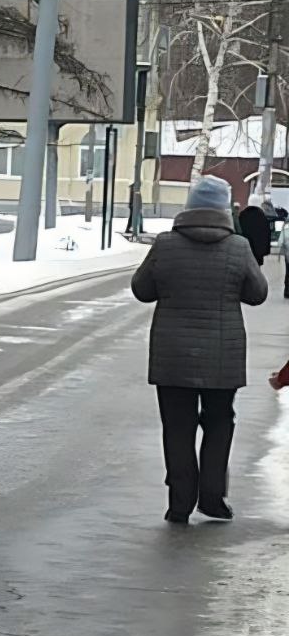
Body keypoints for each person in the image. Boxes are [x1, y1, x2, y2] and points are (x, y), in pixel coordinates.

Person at [131, 175, 268, 525]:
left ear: (189, 206)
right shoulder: (238, 247)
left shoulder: (165, 244)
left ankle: (179, 504)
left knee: (177, 427)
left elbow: (142, 290)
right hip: (223, 356)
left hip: (172, 355)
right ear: (226, 209)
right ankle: (212, 498)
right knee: (220, 422)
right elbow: (257, 293)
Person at [238, 201, 272, 266]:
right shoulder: (263, 216)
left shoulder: (242, 216)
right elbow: (267, 235)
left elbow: (239, 232)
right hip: (259, 254)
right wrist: (266, 251)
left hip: (245, 252)